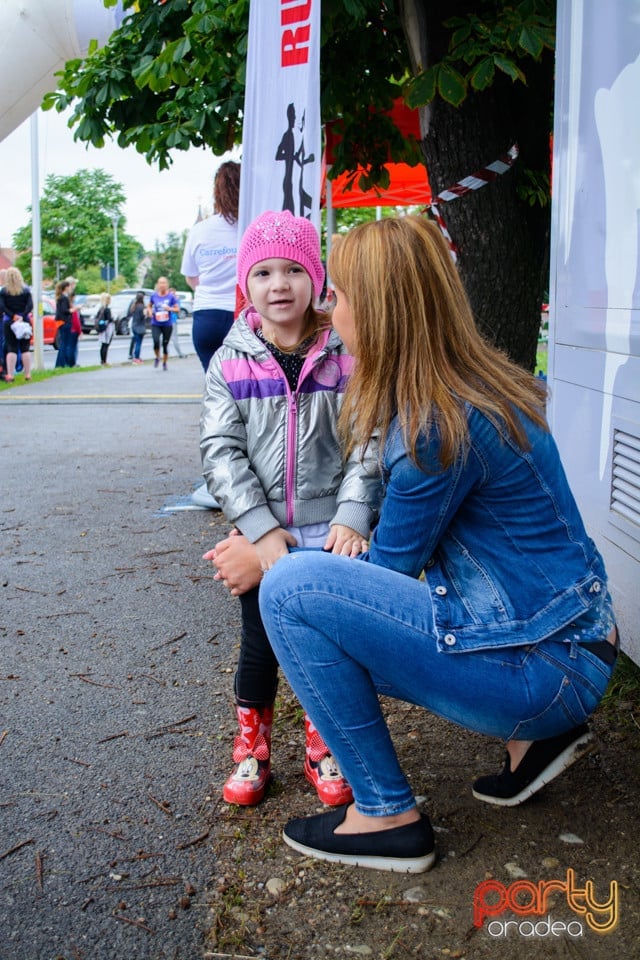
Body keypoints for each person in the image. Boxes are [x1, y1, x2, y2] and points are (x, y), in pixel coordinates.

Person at [230, 215, 619, 874]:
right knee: (311, 603)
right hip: (575, 642)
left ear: (377, 311)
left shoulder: (433, 427)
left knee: (293, 598)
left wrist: (268, 554)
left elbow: (382, 582)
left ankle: (385, 813)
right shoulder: (473, 388)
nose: (329, 308)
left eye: (340, 294)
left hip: (549, 669)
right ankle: (534, 743)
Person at [200, 209, 381, 808]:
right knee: (260, 642)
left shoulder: (346, 354)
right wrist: (259, 532)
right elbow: (221, 451)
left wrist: (354, 514)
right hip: (265, 536)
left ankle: (322, 741)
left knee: (326, 642)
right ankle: (251, 748)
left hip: (332, 534)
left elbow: (368, 439)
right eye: (264, 272)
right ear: (245, 284)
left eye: (294, 271)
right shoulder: (231, 361)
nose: (280, 285)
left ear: (317, 278)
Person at [181, 161, 240, 373]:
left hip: (207, 316)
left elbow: (191, 277)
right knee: (246, 388)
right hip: (242, 315)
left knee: (214, 385)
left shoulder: (199, 231)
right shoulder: (252, 227)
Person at [0, 266, 33, 382]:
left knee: (11, 347)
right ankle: (28, 374)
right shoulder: (26, 290)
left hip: (9, 321)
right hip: (24, 321)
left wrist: (13, 315)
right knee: (25, 348)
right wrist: (22, 315)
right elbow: (30, 306)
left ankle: (10, 374)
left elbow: (2, 306)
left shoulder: (4, 291)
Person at [148, 276, 179, 370]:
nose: (162, 285)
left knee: (165, 344)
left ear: (167, 285)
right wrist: (149, 312)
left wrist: (170, 309)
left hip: (167, 324)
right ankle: (157, 357)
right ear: (158, 285)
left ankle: (165, 362)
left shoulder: (171, 297)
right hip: (156, 323)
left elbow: (177, 309)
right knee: (156, 341)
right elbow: (149, 306)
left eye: (164, 283)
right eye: (160, 283)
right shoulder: (154, 296)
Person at [54, 279, 73, 368]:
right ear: (66, 288)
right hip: (65, 322)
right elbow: (64, 310)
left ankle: (60, 363)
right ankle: (62, 363)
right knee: (64, 344)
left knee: (63, 343)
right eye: (69, 287)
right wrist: (73, 310)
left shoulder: (60, 298)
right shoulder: (64, 298)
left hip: (61, 323)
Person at [96, 292, 115, 365]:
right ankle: (104, 361)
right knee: (106, 345)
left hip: (102, 328)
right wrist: (113, 318)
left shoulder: (101, 309)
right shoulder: (107, 309)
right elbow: (110, 319)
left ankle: (102, 360)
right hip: (107, 328)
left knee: (103, 344)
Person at [129, 292, 147, 364]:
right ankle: (137, 357)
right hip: (140, 326)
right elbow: (142, 316)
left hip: (134, 325)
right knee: (139, 343)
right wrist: (145, 314)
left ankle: (135, 356)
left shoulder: (134, 306)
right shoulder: (142, 307)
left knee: (136, 342)